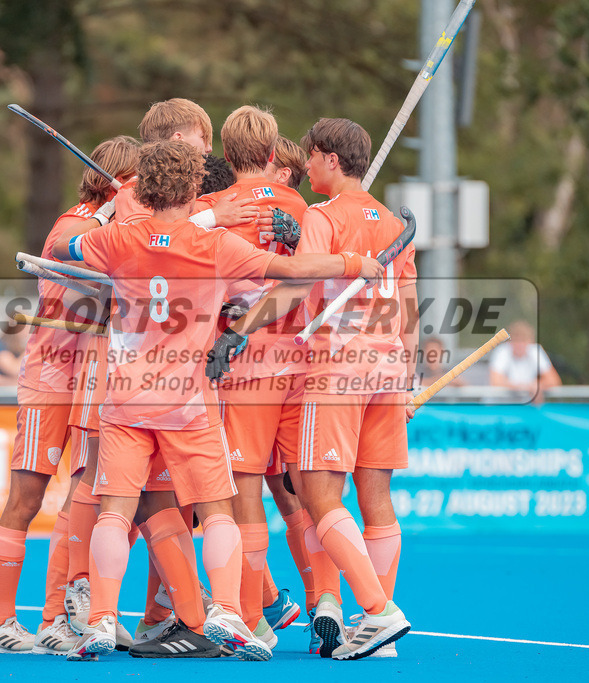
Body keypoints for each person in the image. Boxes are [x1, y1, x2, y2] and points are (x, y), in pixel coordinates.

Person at [52, 139, 385, 661]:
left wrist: (107, 214)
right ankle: (227, 611)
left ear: (145, 188)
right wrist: (353, 262)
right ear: (194, 188)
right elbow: (292, 272)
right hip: (187, 401)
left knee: (114, 512)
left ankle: (100, 619)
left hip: (125, 400)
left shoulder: (115, 239)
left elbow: (59, 248)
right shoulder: (215, 245)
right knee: (217, 510)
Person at [209, 117, 415, 660]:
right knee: (374, 501)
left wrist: (238, 329)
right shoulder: (390, 221)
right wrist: (408, 375)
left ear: (329, 158)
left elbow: (295, 284)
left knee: (315, 496)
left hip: (331, 369)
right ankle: (365, 624)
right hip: (387, 371)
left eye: (311, 155)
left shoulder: (321, 215)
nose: (305, 164)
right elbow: (409, 307)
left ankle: (374, 611)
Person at [0, 135, 140, 656]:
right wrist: (114, 214)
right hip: (51, 380)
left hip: (93, 380)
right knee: (26, 499)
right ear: (117, 180)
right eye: (138, 179)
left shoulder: (122, 227)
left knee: (83, 498)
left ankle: (56, 619)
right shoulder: (75, 224)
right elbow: (72, 257)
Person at [193, 105, 310, 647]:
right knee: (306, 492)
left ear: (225, 151)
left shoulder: (212, 208)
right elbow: (314, 277)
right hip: (300, 360)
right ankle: (327, 607)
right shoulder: (298, 205)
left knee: (242, 492)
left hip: (239, 363)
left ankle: (252, 616)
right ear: (270, 153)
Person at [489, 320, 561, 401]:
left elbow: (554, 381)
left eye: (523, 340)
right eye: (516, 340)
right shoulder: (502, 351)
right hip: (500, 404)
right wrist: (525, 387)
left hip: (526, 405)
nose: (519, 344)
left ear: (530, 341)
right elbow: (495, 382)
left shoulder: (535, 351)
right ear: (509, 341)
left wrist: (537, 385)